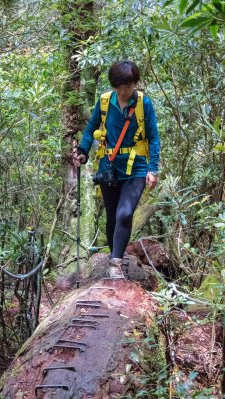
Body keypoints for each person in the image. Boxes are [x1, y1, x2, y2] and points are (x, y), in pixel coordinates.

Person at [72, 60, 160, 274]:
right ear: (113, 85)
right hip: (109, 167)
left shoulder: (143, 104)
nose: (124, 91)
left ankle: (115, 263)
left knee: (124, 213)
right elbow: (91, 128)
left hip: (136, 168)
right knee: (112, 215)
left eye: (129, 86)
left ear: (134, 84)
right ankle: (115, 260)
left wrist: (153, 169)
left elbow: (154, 138)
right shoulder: (104, 102)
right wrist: (82, 151)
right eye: (120, 86)